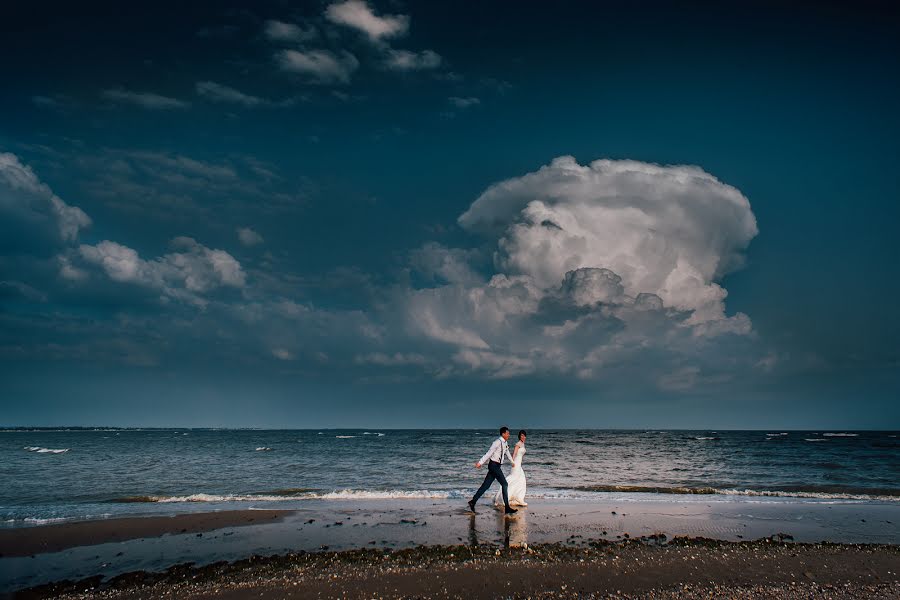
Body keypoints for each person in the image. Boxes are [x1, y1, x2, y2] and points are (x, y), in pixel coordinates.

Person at [468, 426, 517, 514]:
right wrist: (480, 462)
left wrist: (512, 462)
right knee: (505, 484)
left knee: (486, 486)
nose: (509, 435)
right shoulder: (497, 442)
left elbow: (507, 452)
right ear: (503, 434)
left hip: (496, 466)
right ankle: (507, 508)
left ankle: (473, 501)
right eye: (507, 433)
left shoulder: (505, 443)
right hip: (493, 465)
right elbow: (489, 453)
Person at [494, 430, 527, 507]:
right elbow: (514, 453)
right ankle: (503, 497)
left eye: (524, 435)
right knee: (512, 479)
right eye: (522, 435)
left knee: (521, 480)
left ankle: (518, 498)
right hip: (516, 464)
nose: (523, 437)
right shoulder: (518, 444)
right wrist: (512, 462)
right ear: (519, 436)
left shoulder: (522, 444)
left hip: (519, 465)